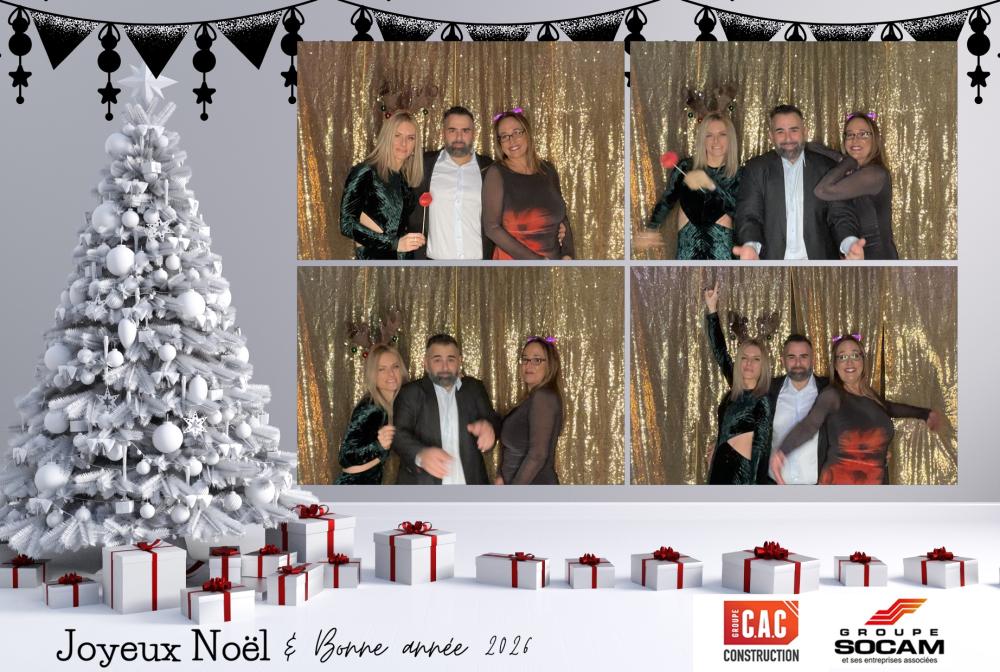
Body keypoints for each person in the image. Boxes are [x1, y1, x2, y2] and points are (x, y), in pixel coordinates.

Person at [770, 335, 943, 485]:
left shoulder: (870, 395)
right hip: (840, 486)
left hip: (876, 482)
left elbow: (889, 408)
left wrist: (924, 414)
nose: (849, 362)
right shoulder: (831, 395)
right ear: (835, 365)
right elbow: (809, 425)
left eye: (855, 355)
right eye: (842, 357)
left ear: (862, 360)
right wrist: (782, 452)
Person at [733, 104, 864, 261]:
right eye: (780, 131)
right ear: (771, 136)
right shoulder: (755, 169)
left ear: (805, 132)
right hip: (772, 263)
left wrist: (850, 244)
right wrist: (751, 246)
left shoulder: (827, 167)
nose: (788, 138)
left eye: (794, 130)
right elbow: (749, 215)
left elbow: (840, 214)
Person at [391, 333, 501, 484]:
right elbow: (397, 435)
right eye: (437, 360)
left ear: (460, 361)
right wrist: (421, 454)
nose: (445, 367)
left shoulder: (474, 388)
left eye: (451, 359)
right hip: (423, 487)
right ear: (426, 363)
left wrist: (490, 428)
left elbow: (493, 419)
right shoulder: (410, 393)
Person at [637, 112, 741, 259]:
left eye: (722, 134)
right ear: (702, 139)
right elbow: (667, 201)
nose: (716, 141)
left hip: (722, 254)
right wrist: (651, 229)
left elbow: (739, 211)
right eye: (709, 135)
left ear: (731, 138)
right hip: (687, 251)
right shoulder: (686, 167)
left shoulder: (739, 174)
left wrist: (710, 185)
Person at [482, 109, 575, 260]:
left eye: (517, 132)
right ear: (499, 143)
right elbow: (492, 228)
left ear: (527, 133)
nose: (512, 140)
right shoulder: (496, 173)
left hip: (553, 263)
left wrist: (567, 254)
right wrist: (536, 261)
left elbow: (561, 216)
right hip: (515, 265)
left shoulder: (548, 169)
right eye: (504, 136)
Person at [703, 282, 772, 484]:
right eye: (744, 358)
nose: (749, 363)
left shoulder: (762, 400)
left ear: (763, 366)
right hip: (720, 467)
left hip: (741, 474)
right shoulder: (735, 388)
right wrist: (712, 309)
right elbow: (720, 352)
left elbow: (760, 448)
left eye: (756, 359)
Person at [408, 106, 495, 260]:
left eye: (465, 130)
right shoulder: (424, 165)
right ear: (443, 133)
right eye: (452, 130)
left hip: (480, 266)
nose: (459, 137)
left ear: (474, 133)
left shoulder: (489, 168)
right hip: (432, 266)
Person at [809, 112, 898, 259]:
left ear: (874, 139)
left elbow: (822, 190)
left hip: (878, 260)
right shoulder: (853, 172)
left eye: (863, 134)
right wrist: (841, 157)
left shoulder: (875, 175)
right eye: (850, 135)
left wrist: (848, 161)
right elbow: (811, 146)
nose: (855, 140)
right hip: (855, 256)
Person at [339, 110, 426, 260]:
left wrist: (411, 241)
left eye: (410, 138)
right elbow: (346, 224)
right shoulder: (365, 172)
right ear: (387, 138)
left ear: (415, 145)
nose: (403, 143)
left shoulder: (406, 180)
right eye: (397, 136)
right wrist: (394, 243)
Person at [335, 345, 408, 485]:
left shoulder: (395, 404)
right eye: (382, 369)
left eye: (395, 367)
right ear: (373, 375)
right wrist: (379, 446)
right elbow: (345, 456)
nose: (391, 374)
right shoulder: (370, 408)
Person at [495, 337, 563, 485]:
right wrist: (501, 475)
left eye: (537, 360)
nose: (528, 365)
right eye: (525, 359)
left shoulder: (543, 397)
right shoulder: (529, 400)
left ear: (550, 365)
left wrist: (514, 492)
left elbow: (538, 455)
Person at [765, 334, 829, 485]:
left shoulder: (828, 389)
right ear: (782, 360)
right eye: (791, 357)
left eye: (804, 356)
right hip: (775, 486)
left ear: (813, 359)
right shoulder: (768, 390)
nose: (798, 363)